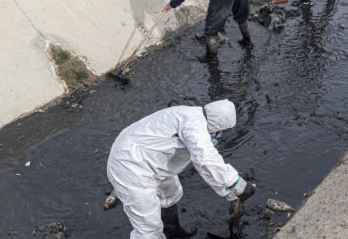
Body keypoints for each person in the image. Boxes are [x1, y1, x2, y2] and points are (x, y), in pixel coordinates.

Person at [107, 100, 256, 239]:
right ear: (218, 124)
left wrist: (231, 195)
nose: (220, 134)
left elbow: (203, 166)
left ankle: (172, 231)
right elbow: (206, 160)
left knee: (170, 192)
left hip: (148, 157)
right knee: (148, 229)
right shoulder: (194, 125)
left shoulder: (194, 116)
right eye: (223, 130)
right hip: (129, 166)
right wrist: (238, 185)